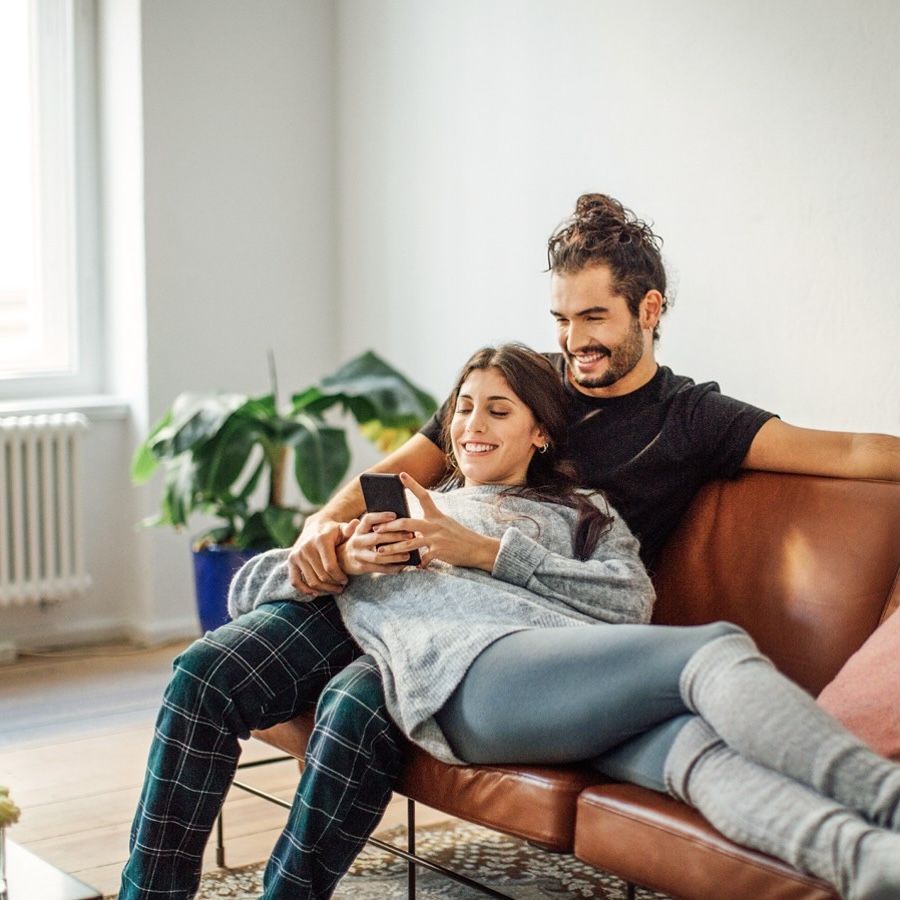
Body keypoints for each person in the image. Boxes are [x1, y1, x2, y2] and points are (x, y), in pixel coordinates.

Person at [120, 195, 900, 899]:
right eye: (561, 320)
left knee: (362, 710)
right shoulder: (527, 383)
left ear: (648, 309)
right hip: (401, 595)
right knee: (207, 675)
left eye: (593, 318)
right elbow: (399, 472)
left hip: (518, 638)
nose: (572, 342)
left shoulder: (692, 419)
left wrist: (477, 552)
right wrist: (323, 532)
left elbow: (856, 455)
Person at [230, 343, 900, 899]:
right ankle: (889, 798)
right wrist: (337, 550)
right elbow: (255, 586)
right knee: (712, 650)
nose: (472, 425)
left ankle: (868, 862)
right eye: (462, 411)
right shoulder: (408, 513)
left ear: (539, 432)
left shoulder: (586, 512)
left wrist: (493, 555)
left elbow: (629, 603)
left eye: (497, 409)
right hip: (468, 679)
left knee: (697, 754)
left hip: (573, 687)